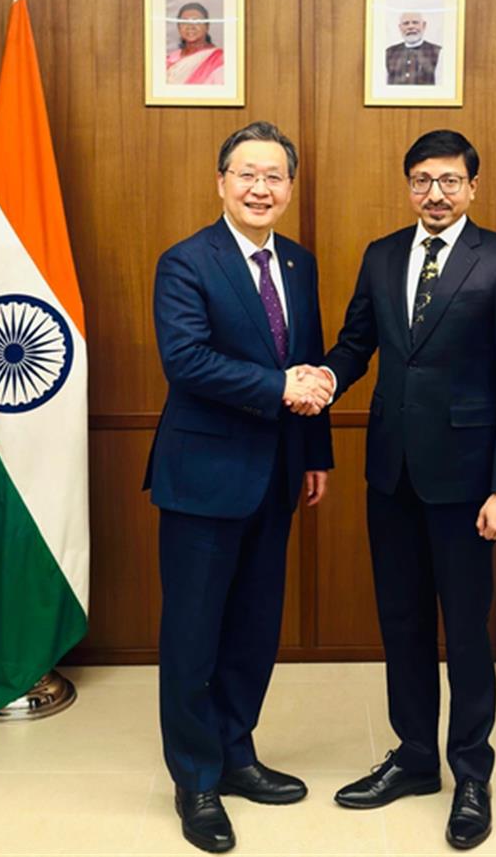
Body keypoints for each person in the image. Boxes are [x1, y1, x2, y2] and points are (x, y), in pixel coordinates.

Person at [307, 130, 496, 849]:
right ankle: (413, 757)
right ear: (407, 185)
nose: (434, 194)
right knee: (401, 622)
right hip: (391, 474)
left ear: (472, 186)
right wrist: (323, 378)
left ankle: (471, 771)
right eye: (421, 181)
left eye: (449, 181)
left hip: (468, 484)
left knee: (465, 629)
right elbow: (357, 345)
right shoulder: (381, 255)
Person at [144, 121, 333, 853]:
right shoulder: (186, 261)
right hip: (202, 479)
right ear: (221, 181)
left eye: (274, 176)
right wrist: (279, 387)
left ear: (290, 187)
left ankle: (236, 752)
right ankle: (195, 778)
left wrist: (315, 453)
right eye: (247, 174)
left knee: (254, 630)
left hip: (278, 473)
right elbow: (186, 359)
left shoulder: (300, 263)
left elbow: (309, 358)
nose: (260, 188)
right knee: (193, 636)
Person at [166, 1, 224, 85]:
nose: (190, 27)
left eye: (197, 22)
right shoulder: (169, 59)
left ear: (207, 26)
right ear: (179, 27)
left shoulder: (218, 59)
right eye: (185, 22)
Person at [386, 11, 441, 85]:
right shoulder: (389, 52)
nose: (410, 27)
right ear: (400, 27)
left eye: (415, 22)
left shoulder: (437, 52)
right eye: (406, 23)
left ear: (424, 25)